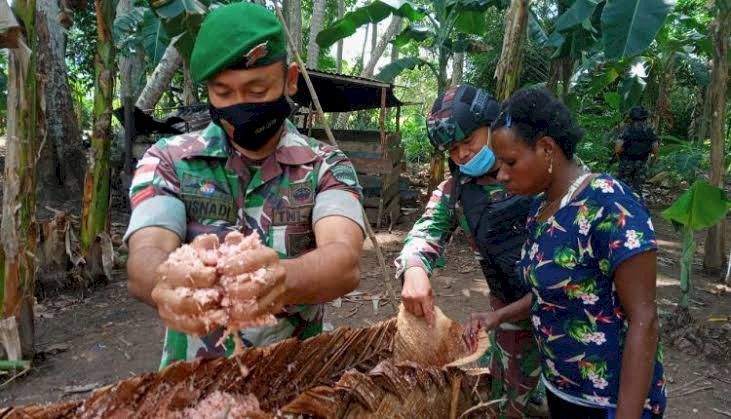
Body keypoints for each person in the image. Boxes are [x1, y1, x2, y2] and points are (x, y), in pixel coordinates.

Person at [124, 2, 365, 368]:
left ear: (290, 80)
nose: (239, 106)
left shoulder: (325, 166)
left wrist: (277, 278)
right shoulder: (168, 161)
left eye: (256, 91)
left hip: (294, 374)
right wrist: (169, 281)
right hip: (194, 382)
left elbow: (344, 262)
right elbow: (144, 258)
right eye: (223, 93)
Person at [490, 88, 666, 418]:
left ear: (546, 148)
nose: (501, 174)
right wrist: (498, 316)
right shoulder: (541, 210)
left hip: (610, 401)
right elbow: (561, 290)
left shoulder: (609, 205)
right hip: (561, 387)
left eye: (510, 162)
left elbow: (645, 318)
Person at [394, 84, 545, 418]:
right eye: (452, 149)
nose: (461, 155)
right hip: (509, 311)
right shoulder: (456, 192)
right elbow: (424, 233)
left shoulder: (541, 168)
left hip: (567, 310)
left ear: (493, 126)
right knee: (505, 399)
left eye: (468, 142)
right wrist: (414, 269)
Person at [615, 106, 659, 194]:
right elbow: (655, 149)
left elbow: (618, 149)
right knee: (637, 189)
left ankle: (623, 206)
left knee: (623, 188)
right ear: (644, 118)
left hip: (626, 162)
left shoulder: (626, 131)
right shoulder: (649, 131)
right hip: (642, 163)